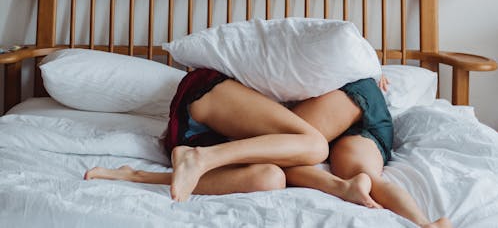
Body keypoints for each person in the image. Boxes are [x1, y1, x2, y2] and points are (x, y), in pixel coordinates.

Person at [85, 69, 452, 228]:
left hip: (355, 106)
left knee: (272, 177)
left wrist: (369, 64)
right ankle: (200, 158)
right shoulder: (338, 75)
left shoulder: (360, 82)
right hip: (210, 102)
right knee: (311, 146)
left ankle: (422, 222)